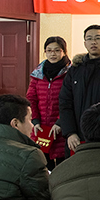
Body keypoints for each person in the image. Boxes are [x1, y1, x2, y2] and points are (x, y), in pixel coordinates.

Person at [58, 24, 100, 156]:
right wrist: (70, 133)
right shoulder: (75, 69)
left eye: (98, 38)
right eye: (89, 38)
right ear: (85, 43)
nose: (93, 42)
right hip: (77, 136)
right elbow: (65, 102)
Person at [26, 36, 71, 170]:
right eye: (49, 50)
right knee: (43, 166)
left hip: (62, 127)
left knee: (63, 167)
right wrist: (35, 120)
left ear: (64, 52)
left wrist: (60, 122)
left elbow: (72, 100)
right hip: (41, 128)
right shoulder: (38, 73)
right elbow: (31, 98)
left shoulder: (70, 73)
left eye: (57, 50)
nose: (53, 54)